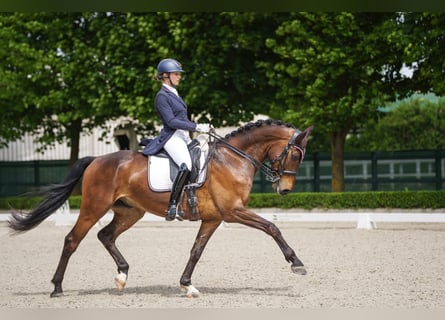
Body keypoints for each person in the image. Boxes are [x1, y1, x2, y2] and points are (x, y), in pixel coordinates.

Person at [142, 58, 210, 221]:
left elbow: (181, 118)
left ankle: (192, 196)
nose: (179, 77)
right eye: (176, 74)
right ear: (165, 76)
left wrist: (201, 127)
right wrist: (196, 127)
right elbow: (171, 121)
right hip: (172, 137)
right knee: (185, 164)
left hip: (183, 136)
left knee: (202, 157)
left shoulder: (174, 93)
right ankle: (172, 205)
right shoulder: (161, 96)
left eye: (179, 74)